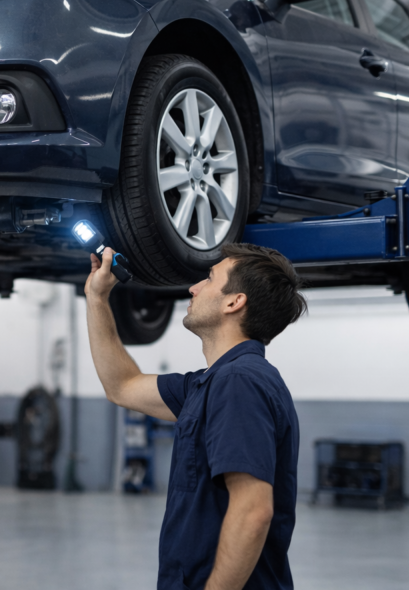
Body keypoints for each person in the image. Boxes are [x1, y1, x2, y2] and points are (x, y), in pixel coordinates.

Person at [84, 243, 307, 590]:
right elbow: (122, 386)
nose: (193, 288)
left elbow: (253, 511)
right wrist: (97, 299)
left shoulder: (239, 383)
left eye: (209, 278)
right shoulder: (210, 384)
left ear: (234, 302)